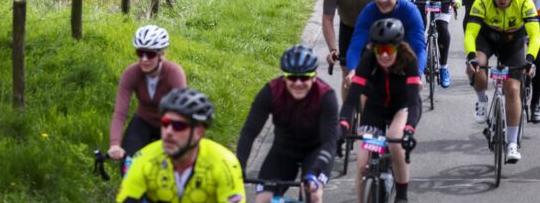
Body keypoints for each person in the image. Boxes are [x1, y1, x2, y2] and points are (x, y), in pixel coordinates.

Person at [237, 46, 337, 203]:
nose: (298, 83)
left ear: (314, 76)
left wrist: (314, 172)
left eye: (304, 78)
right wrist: (240, 166)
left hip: (315, 152)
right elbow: (249, 131)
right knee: (263, 199)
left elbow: (329, 143)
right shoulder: (271, 91)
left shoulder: (326, 96)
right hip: (283, 151)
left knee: (312, 195)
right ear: (284, 76)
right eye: (291, 77)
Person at [339, 19, 422, 203]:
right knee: (362, 164)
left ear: (398, 47)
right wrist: (343, 125)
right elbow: (351, 99)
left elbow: (414, 102)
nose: (384, 55)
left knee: (394, 140)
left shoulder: (409, 60)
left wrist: (409, 130)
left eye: (389, 50)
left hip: (402, 106)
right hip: (375, 108)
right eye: (379, 50)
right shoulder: (368, 59)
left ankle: (401, 194)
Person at [464, 0, 540, 163]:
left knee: (513, 89)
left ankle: (512, 143)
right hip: (487, 38)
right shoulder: (482, 0)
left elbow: (534, 36)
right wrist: (471, 57)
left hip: (512, 43)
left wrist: (530, 59)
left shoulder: (524, 1)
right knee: (478, 66)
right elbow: (471, 33)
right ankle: (482, 100)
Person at [116, 88, 245, 203]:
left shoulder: (224, 162)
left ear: (199, 132)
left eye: (179, 126)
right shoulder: (144, 159)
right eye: (165, 123)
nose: (169, 131)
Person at [110, 25, 187, 165]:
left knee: (170, 166)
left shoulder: (174, 73)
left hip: (170, 123)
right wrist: (115, 144)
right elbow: (120, 113)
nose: (144, 59)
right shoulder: (131, 73)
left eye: (150, 54)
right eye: (140, 53)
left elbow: (181, 109)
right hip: (143, 121)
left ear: (161, 55)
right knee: (128, 163)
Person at [345, 0, 427, 75]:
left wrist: (417, 75)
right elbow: (356, 46)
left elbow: (419, 49)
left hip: (402, 60)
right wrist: (352, 71)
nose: (382, 1)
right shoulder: (369, 11)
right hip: (377, 59)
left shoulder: (410, 12)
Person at [322, 0, 377, 95]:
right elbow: (327, 18)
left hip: (372, 31)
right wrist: (333, 49)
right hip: (348, 29)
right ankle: (347, 115)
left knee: (373, 75)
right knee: (347, 77)